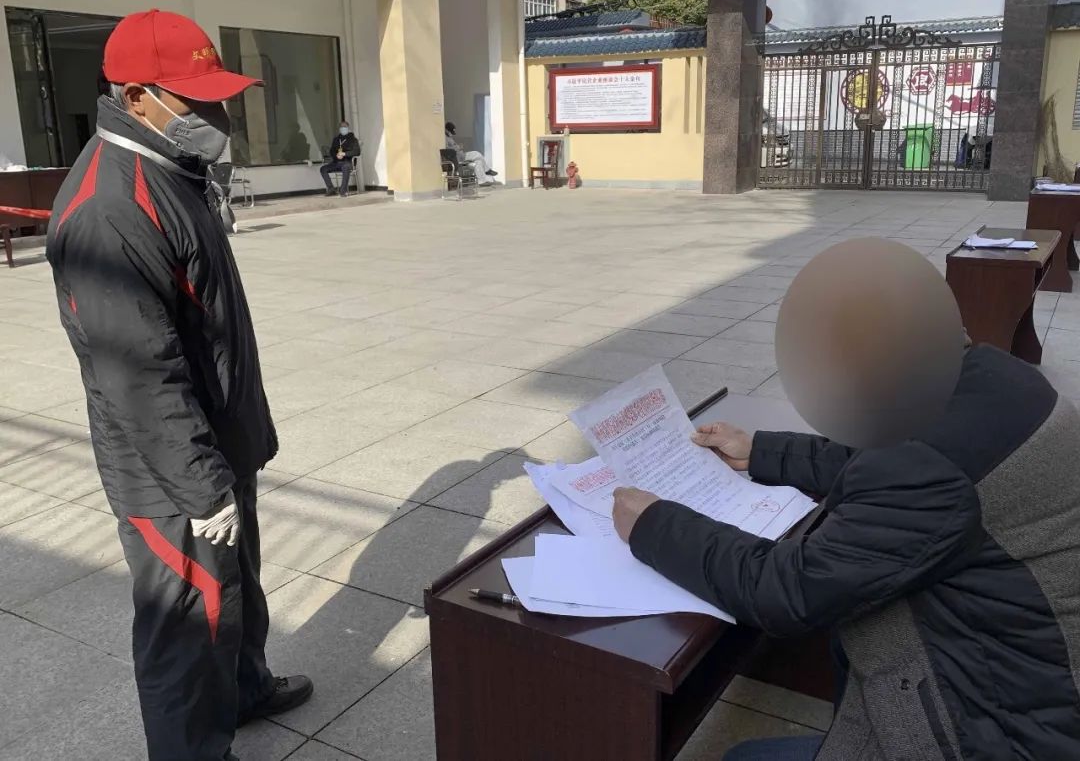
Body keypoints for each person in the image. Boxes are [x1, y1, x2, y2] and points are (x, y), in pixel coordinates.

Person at [612, 238, 1080, 760]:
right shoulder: (994, 376)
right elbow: (888, 460)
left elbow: (786, 590)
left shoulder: (922, 465)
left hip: (1011, 729)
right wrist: (761, 451)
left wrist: (654, 525)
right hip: (1034, 661)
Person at [45, 9, 312, 761]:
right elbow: (137, 372)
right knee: (190, 623)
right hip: (169, 470)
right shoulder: (108, 209)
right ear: (136, 98)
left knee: (237, 587)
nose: (218, 118)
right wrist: (201, 485)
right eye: (196, 101)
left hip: (218, 441)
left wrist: (237, 452)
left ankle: (247, 688)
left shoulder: (170, 167)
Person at [445, 121, 497, 186]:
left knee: (478, 162)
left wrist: (458, 147)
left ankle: (482, 181)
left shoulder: (449, 138)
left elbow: (453, 146)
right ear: (447, 130)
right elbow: (447, 148)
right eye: (451, 132)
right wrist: (458, 147)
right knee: (477, 153)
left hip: (461, 155)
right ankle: (487, 170)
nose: (452, 134)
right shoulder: (444, 138)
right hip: (459, 158)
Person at [319, 120, 361, 196]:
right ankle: (331, 189)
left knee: (345, 167)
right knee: (323, 169)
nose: (343, 128)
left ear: (348, 128)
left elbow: (357, 152)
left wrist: (344, 154)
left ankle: (343, 190)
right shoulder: (336, 139)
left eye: (345, 126)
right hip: (336, 162)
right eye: (341, 127)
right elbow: (332, 151)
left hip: (347, 162)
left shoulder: (353, 140)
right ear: (339, 128)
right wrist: (336, 155)